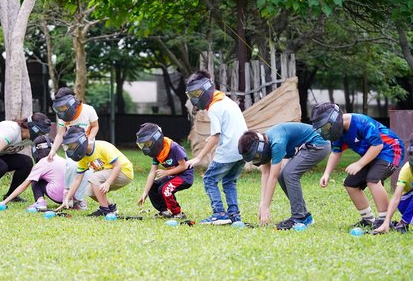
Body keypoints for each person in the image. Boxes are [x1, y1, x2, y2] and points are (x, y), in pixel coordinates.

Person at [312, 102, 404, 229]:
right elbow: (336, 152)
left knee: (373, 179)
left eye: (326, 126)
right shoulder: (338, 131)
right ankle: (368, 220)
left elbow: (378, 145)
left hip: (391, 150)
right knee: (351, 183)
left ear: (334, 119)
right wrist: (326, 173)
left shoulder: (361, 122)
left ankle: (384, 220)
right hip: (372, 155)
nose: (325, 131)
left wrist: (359, 164)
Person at [238, 122, 331, 229]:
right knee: (283, 175)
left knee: (289, 174)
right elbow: (265, 173)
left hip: (319, 144)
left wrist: (266, 207)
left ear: (260, 146)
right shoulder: (265, 140)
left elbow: (272, 177)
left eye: (257, 156)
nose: (257, 159)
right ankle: (305, 216)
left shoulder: (277, 142)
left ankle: (299, 217)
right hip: (307, 146)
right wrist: (262, 203)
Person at [185, 70, 248, 225]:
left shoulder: (214, 107)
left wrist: (199, 157)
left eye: (196, 93)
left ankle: (219, 213)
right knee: (228, 181)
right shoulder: (227, 101)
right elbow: (227, 129)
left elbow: (216, 136)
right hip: (243, 151)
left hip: (228, 152)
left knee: (209, 179)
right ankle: (234, 215)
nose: (195, 98)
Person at [56, 126, 133, 217]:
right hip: (110, 173)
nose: (70, 149)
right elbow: (77, 179)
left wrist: (108, 183)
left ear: (80, 141)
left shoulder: (102, 147)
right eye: (68, 147)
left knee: (93, 177)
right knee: (89, 190)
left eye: (71, 146)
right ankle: (111, 208)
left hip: (124, 172)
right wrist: (67, 199)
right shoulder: (83, 158)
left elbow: (118, 166)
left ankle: (104, 210)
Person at [47, 87, 99, 209]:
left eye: (63, 106)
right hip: (71, 148)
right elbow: (60, 134)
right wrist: (53, 150)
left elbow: (95, 126)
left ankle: (78, 199)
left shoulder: (88, 110)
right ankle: (67, 194)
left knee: (87, 172)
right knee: (71, 166)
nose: (61, 109)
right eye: (59, 107)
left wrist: (89, 140)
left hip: (87, 147)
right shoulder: (62, 116)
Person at [374, 132, 413, 234]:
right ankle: (402, 223)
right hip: (406, 203)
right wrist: (386, 222)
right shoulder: (406, 169)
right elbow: (396, 197)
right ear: (411, 154)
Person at [0, 135, 71, 211]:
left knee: (35, 180)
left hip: (59, 197)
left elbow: (23, 186)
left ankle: (40, 202)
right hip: (70, 196)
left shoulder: (42, 163)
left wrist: (4, 202)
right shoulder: (62, 159)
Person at [135, 123, 194, 219]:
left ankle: (178, 214)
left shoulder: (173, 147)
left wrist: (166, 173)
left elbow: (184, 166)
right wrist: (145, 193)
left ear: (156, 138)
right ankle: (164, 211)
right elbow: (152, 173)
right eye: (144, 145)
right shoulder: (157, 153)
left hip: (184, 176)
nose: (147, 147)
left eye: (148, 143)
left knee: (165, 189)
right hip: (172, 175)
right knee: (154, 187)